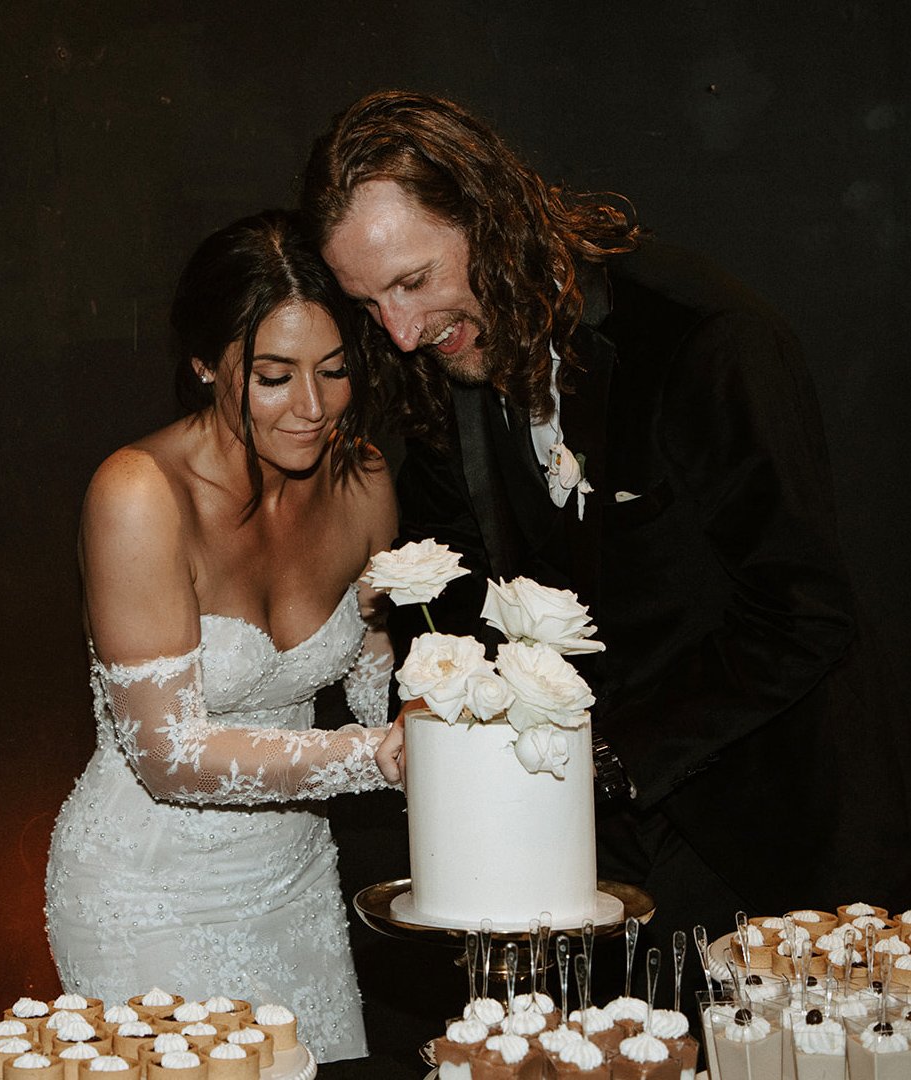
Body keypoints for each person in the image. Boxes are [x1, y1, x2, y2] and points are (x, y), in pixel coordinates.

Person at [300, 91, 911, 960]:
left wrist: (606, 762)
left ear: (491, 215)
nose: (398, 333)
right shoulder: (444, 353)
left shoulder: (703, 340)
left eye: (413, 281)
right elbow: (447, 568)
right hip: (589, 849)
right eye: (368, 305)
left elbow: (801, 614)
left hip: (771, 833)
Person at [44, 209, 398, 1062]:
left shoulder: (362, 481)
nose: (312, 409)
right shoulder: (138, 495)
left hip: (297, 880)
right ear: (206, 365)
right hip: (146, 895)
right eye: (273, 377)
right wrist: (377, 755)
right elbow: (166, 755)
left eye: (335, 369)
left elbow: (373, 682)